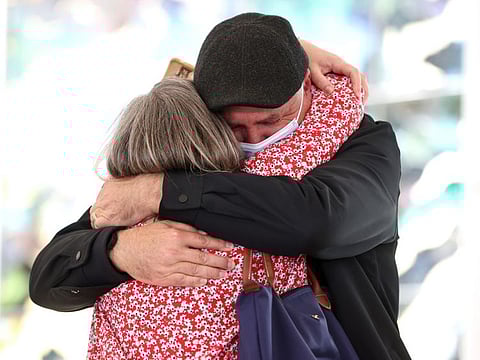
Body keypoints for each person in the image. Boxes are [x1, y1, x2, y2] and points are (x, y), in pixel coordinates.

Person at [29, 12, 410, 360]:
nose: (255, 137)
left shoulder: (363, 144)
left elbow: (318, 219)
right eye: (235, 127)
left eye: (272, 120)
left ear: (306, 87)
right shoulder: (195, 151)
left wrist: (161, 193)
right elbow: (50, 278)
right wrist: (120, 251)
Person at [87, 70, 363, 358]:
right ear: (214, 136)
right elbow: (338, 109)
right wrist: (303, 62)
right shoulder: (253, 200)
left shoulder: (114, 255)